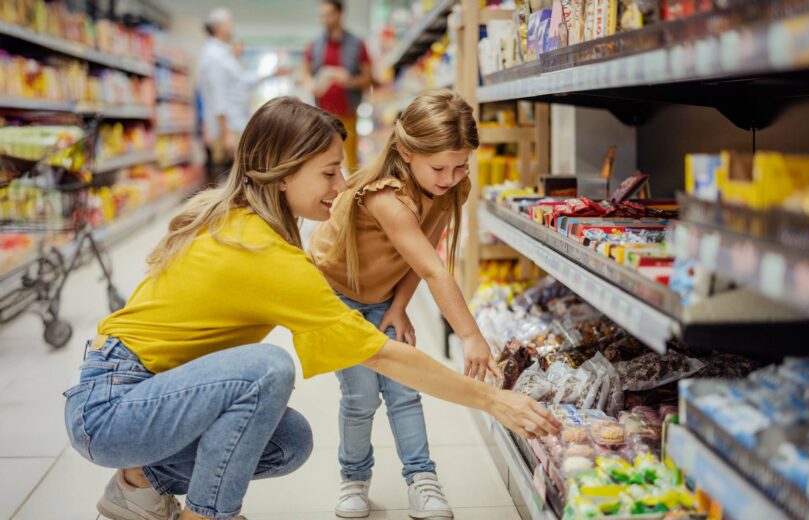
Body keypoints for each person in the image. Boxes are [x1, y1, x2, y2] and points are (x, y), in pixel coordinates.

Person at [62, 97, 561, 520]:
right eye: (328, 172)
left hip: (137, 394)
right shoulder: (263, 253)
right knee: (266, 369)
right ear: (282, 175)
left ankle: (137, 485)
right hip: (110, 408)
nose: (341, 185)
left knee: (290, 442)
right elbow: (382, 356)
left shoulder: (242, 222)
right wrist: (493, 400)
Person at [308, 90, 501, 519]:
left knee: (405, 390)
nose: (450, 177)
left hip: (381, 295)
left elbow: (425, 251)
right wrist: (469, 335)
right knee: (360, 397)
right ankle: (353, 478)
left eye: (460, 166)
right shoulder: (385, 199)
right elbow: (436, 270)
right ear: (405, 153)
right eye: (439, 167)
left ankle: (422, 478)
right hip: (336, 298)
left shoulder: (449, 188)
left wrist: (399, 304)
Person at [197, 8, 277, 185]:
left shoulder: (224, 54)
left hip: (234, 124)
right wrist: (226, 132)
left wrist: (271, 74)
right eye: (229, 23)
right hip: (226, 126)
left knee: (237, 175)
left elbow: (241, 82)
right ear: (218, 27)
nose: (232, 28)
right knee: (229, 176)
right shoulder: (214, 56)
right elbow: (218, 96)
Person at [302, 0, 372, 173]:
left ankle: (352, 198)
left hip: (348, 113)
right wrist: (310, 83)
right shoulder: (315, 45)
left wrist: (348, 80)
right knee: (323, 160)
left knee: (351, 162)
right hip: (322, 115)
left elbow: (368, 78)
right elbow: (304, 73)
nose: (324, 19)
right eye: (322, 15)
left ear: (340, 14)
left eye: (328, 14)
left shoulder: (357, 44)